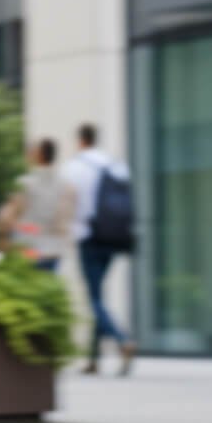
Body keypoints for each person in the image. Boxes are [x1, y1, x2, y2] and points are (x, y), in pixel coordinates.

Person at [64, 123, 137, 375]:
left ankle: (122, 340)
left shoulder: (75, 167)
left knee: (94, 298)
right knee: (99, 296)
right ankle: (93, 360)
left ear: (81, 140)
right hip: (114, 238)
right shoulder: (116, 164)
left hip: (89, 236)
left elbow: (69, 204)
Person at [0, 138, 76, 273]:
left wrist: (6, 242)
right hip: (53, 251)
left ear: (39, 155)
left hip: (28, 251)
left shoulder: (24, 184)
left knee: (27, 289)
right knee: (46, 288)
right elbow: (65, 220)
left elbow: (6, 217)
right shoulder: (66, 186)